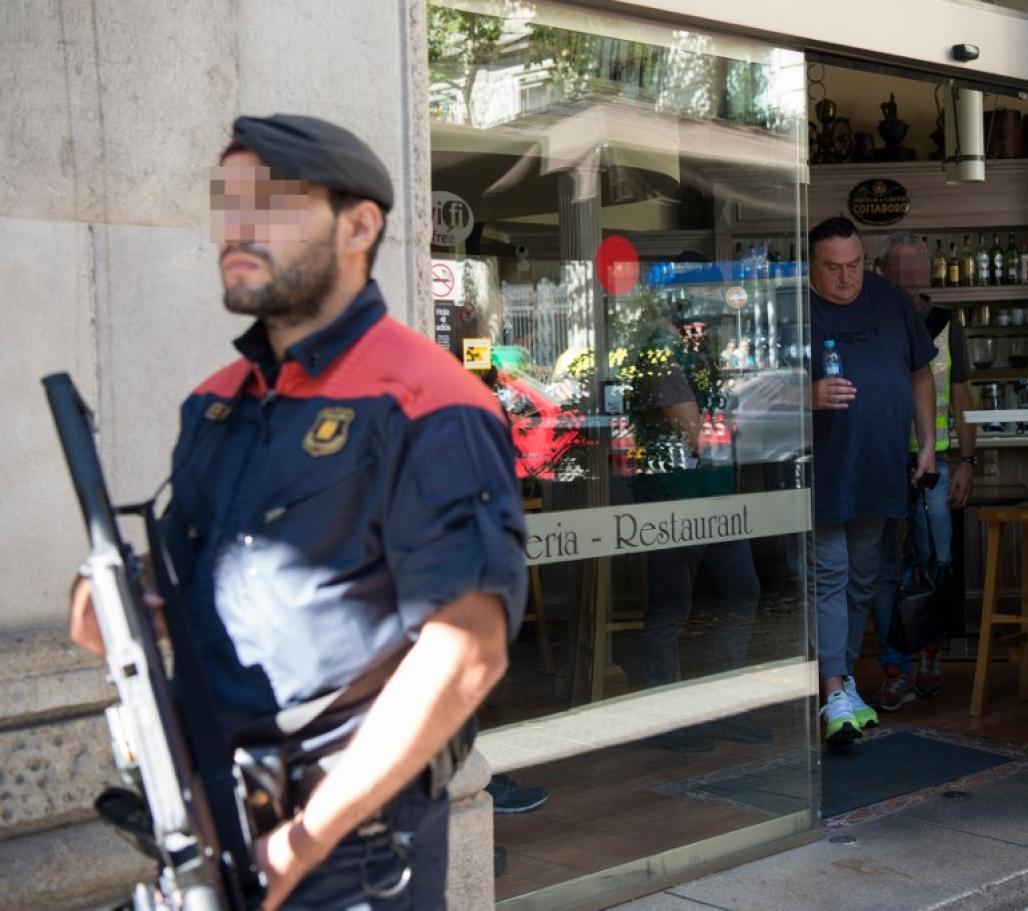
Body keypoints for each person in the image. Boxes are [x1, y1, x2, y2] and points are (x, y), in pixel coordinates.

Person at [68, 114, 528, 908]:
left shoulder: (429, 401)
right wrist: (114, 596)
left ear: (359, 226)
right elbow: (169, 594)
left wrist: (298, 844)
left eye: (271, 204)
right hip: (213, 826)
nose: (235, 227)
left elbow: (465, 654)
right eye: (227, 203)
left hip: (350, 854)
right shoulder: (217, 401)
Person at [808, 216, 937, 745]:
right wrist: (809, 396)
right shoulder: (796, 308)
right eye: (833, 268)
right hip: (823, 472)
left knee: (863, 579)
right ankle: (833, 689)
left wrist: (928, 442)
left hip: (880, 466)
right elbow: (755, 389)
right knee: (830, 576)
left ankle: (841, 683)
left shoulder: (889, 299)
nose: (846, 278)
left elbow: (920, 373)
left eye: (854, 265)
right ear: (812, 266)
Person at [626, 291, 765, 752]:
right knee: (671, 605)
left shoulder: (695, 353)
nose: (711, 319)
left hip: (714, 493)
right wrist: (749, 416)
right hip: (674, 496)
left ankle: (724, 707)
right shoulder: (659, 353)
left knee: (741, 591)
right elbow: (695, 432)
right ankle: (667, 718)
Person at [872, 234, 978, 712]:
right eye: (898, 267)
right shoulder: (871, 318)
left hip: (933, 464)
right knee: (883, 571)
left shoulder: (945, 324)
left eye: (915, 267)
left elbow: (961, 396)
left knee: (935, 560)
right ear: (881, 269)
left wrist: (967, 461)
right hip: (879, 462)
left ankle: (930, 654)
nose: (907, 277)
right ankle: (894, 669)